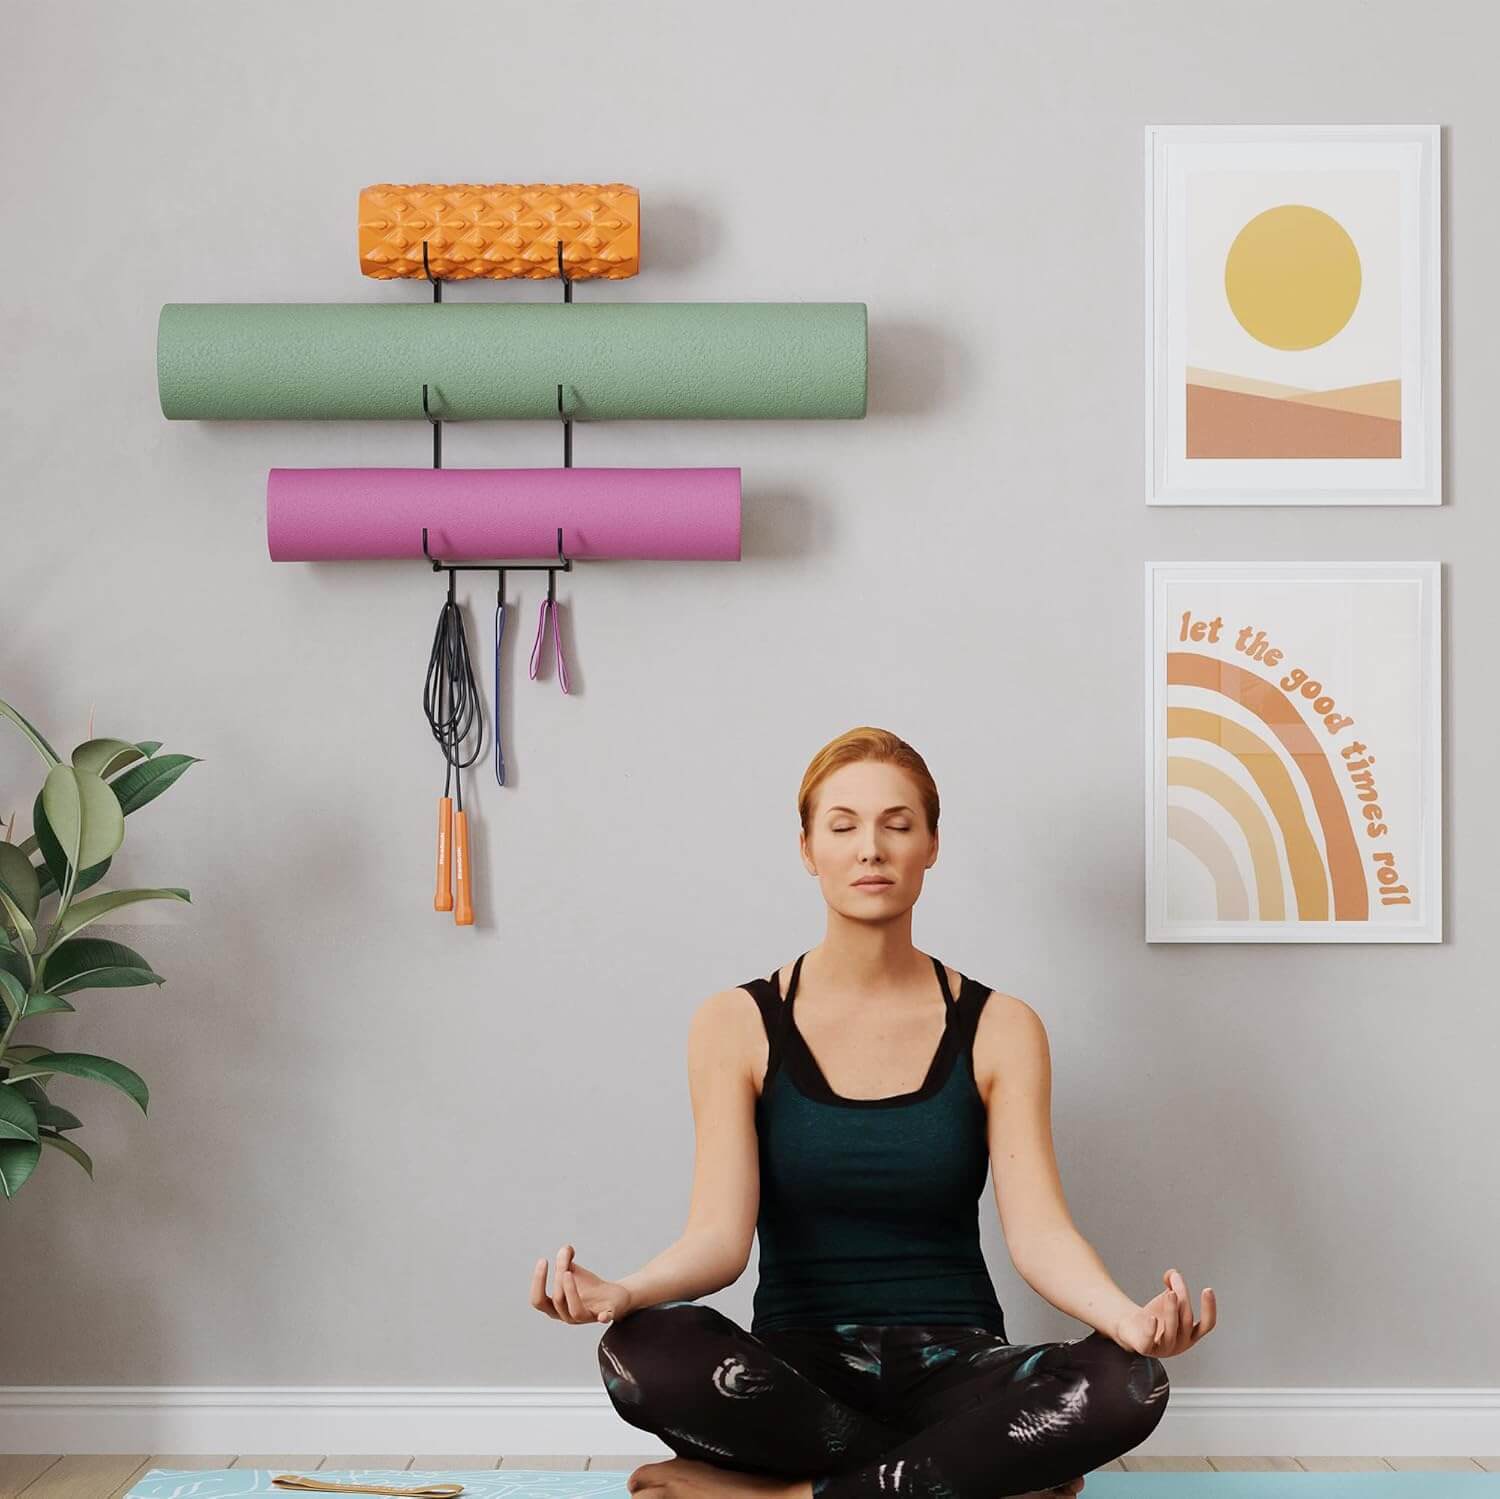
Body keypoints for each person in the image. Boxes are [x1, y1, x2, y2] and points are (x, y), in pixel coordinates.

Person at [529, 727, 1217, 1499]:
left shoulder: (1001, 1026)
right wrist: (623, 1291)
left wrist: (1127, 1319)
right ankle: (959, 1477)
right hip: (797, 1379)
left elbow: (1040, 1235)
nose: (871, 849)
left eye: (897, 824)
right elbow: (718, 1240)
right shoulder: (735, 1023)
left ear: (931, 845)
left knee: (1131, 1381)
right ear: (807, 848)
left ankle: (785, 1496)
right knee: (643, 1351)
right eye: (844, 824)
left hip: (958, 1366)